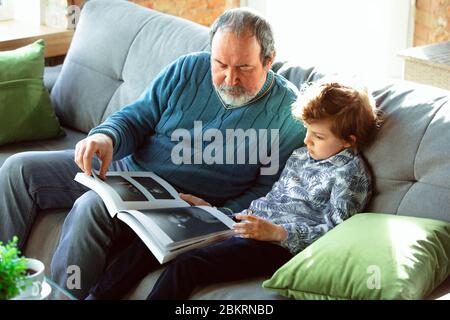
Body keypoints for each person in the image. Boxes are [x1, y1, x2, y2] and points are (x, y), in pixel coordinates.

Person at [0, 8, 305, 299]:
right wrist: (107, 137)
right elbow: (138, 116)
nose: (229, 78)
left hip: (177, 204)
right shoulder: (188, 69)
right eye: (220, 64)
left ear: (269, 60)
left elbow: (268, 192)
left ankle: (65, 296)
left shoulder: (287, 114)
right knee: (18, 170)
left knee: (91, 206)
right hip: (124, 170)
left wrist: (215, 213)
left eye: (243, 68)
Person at [85, 80, 383, 300]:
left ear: (348, 140)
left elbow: (336, 235)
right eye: (307, 131)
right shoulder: (303, 156)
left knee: (188, 265)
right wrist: (217, 214)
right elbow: (271, 199)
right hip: (245, 225)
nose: (306, 141)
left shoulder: (350, 176)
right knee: (156, 243)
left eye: (317, 136)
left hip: (277, 247)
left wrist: (278, 233)